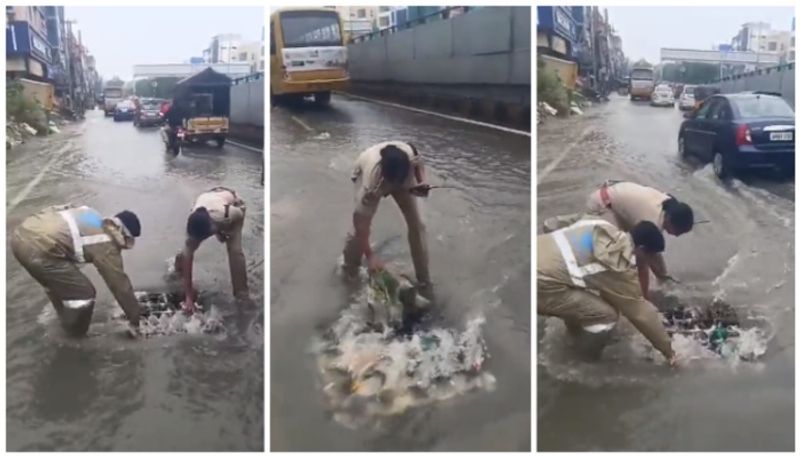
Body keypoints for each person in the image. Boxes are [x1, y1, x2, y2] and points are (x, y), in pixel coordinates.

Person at [538, 216, 677, 365]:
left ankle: (572, 335)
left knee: (578, 291)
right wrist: (669, 352)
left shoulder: (598, 223)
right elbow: (640, 313)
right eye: (650, 256)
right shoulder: (618, 264)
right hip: (541, 285)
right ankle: (583, 360)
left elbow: (551, 224)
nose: (649, 261)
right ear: (641, 249)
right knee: (607, 316)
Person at [543, 180, 694, 299]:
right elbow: (643, 261)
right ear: (669, 219)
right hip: (603, 204)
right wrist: (645, 299)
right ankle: (559, 226)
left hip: (619, 207)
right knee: (613, 253)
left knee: (637, 246)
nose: (676, 235)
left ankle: (565, 223)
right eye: (677, 231)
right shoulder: (652, 219)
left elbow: (653, 252)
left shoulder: (668, 203)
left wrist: (663, 276)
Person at [10, 205, 142, 337]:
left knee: (58, 281)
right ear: (122, 232)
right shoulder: (106, 241)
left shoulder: (89, 213)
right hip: (39, 250)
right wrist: (135, 318)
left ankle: (62, 318)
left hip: (21, 235)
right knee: (84, 293)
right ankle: (74, 336)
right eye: (127, 242)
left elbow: (58, 212)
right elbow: (119, 284)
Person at [343, 141, 431, 292]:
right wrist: (370, 256)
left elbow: (418, 161)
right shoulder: (370, 185)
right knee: (357, 234)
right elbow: (360, 225)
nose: (395, 188)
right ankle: (350, 271)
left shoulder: (409, 155)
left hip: (402, 175)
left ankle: (424, 280)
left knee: (418, 225)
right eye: (393, 183)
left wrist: (422, 181)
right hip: (370, 173)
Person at [175, 187, 248, 313]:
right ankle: (177, 269)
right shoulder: (193, 222)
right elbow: (189, 255)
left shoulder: (227, 214)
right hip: (206, 201)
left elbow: (240, 215)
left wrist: (226, 232)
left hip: (232, 205)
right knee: (186, 252)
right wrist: (188, 297)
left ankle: (242, 295)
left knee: (235, 252)